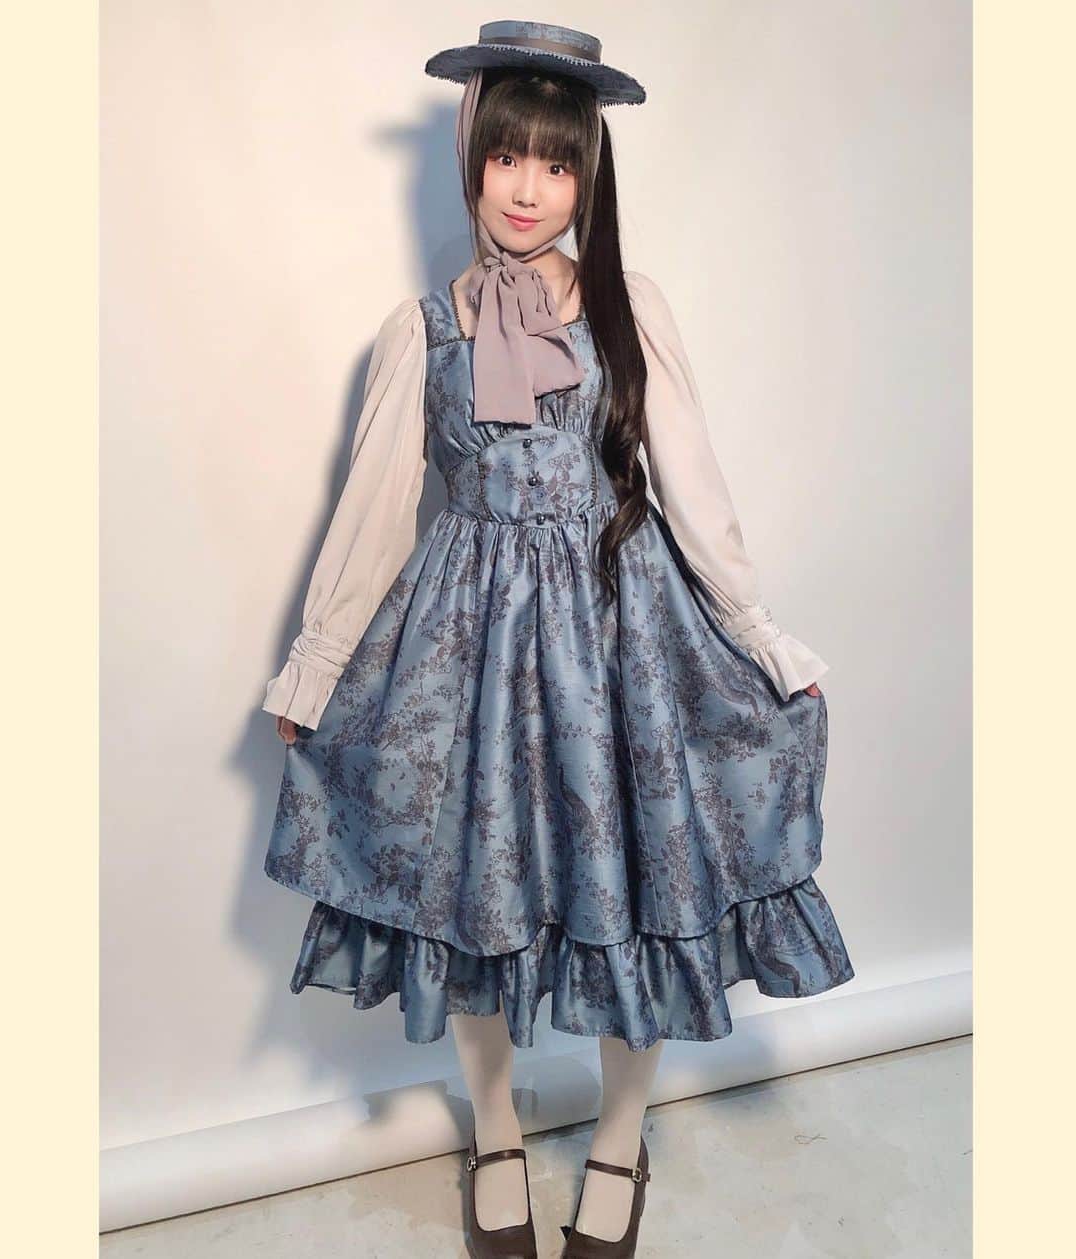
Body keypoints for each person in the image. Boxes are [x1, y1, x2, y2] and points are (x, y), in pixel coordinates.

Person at [261, 20, 854, 1258]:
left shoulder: (631, 308)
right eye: (506, 156)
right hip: (467, 644)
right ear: (471, 158)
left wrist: (759, 635)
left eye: (558, 163)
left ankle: (623, 1138)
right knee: (471, 886)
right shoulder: (422, 328)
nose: (528, 188)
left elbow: (692, 483)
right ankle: (494, 1128)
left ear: (589, 176)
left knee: (635, 879)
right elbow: (375, 506)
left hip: (616, 631)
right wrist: (316, 666)